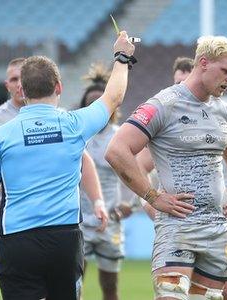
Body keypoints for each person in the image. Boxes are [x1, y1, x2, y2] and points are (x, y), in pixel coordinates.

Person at [0, 31, 135, 299]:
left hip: (17, 239)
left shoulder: (1, 135)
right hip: (64, 239)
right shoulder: (74, 125)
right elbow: (114, 96)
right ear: (59, 87)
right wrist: (122, 56)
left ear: (22, 90)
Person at [105, 36, 227, 300]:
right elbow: (117, 150)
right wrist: (152, 196)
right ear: (204, 63)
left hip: (217, 231)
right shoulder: (164, 105)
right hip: (178, 229)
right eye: (226, 71)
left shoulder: (224, 111)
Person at [138, 56, 227, 300]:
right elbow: (137, 162)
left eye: (184, 80)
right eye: (177, 81)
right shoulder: (166, 109)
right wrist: (148, 199)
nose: (180, 86)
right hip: (181, 221)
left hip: (220, 220)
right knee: (173, 293)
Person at [0, 58, 106, 233]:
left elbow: (84, 161)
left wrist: (97, 200)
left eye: (21, 78)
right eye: (13, 79)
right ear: (7, 85)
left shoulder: (60, 117)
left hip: (57, 218)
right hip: (11, 215)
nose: (18, 83)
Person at [78, 63, 131, 300]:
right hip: (77, 221)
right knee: (73, 286)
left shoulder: (121, 135)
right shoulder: (76, 134)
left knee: (111, 287)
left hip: (110, 222)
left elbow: (143, 171)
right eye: (90, 102)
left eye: (100, 102)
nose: (95, 106)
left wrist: (132, 203)